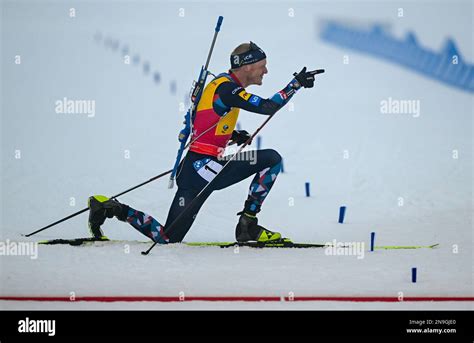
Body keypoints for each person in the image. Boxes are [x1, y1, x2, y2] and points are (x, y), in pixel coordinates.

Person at [88, 41, 320, 244]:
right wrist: (295, 84)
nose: (266, 71)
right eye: (262, 66)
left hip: (195, 169)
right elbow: (268, 107)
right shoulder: (228, 89)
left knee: (169, 238)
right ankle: (247, 224)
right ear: (248, 66)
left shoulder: (220, 84)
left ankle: (113, 208)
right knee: (272, 159)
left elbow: (204, 120)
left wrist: (230, 136)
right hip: (205, 168)